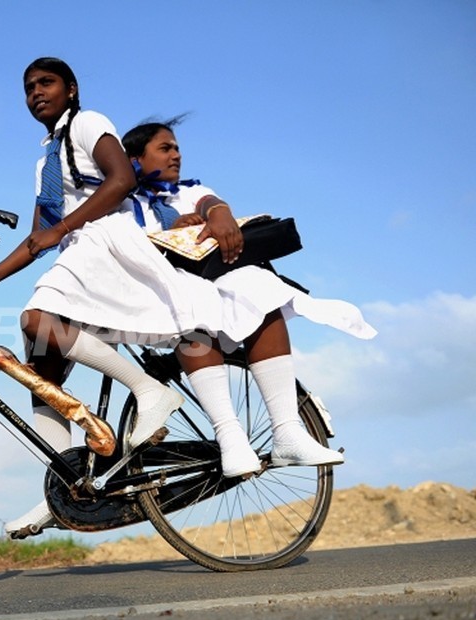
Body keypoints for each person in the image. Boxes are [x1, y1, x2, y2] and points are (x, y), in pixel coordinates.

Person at [0, 57, 186, 538]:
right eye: (28, 87)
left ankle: (149, 389)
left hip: (109, 244)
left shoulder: (89, 124)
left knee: (37, 320)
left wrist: (61, 229)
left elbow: (121, 179)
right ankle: (62, 488)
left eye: (46, 82)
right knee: (42, 375)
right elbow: (40, 236)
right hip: (78, 252)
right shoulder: (46, 159)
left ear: (71, 88)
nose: (36, 92)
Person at [120, 116, 376, 479]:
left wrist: (217, 214)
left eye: (177, 147)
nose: (176, 155)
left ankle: (287, 430)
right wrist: (166, 232)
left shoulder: (188, 191)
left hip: (210, 277)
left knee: (260, 289)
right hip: (162, 290)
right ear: (134, 159)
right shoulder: (124, 204)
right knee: (191, 310)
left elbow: (211, 201)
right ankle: (230, 437)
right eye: (165, 148)